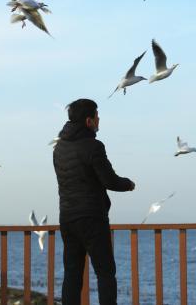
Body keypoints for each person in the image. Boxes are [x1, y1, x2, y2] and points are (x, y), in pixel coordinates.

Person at [52, 99, 135, 305]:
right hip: (92, 218)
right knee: (105, 273)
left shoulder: (59, 148)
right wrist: (129, 184)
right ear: (89, 121)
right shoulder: (94, 146)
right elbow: (110, 181)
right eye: (97, 116)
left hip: (68, 218)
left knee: (72, 274)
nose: (99, 120)